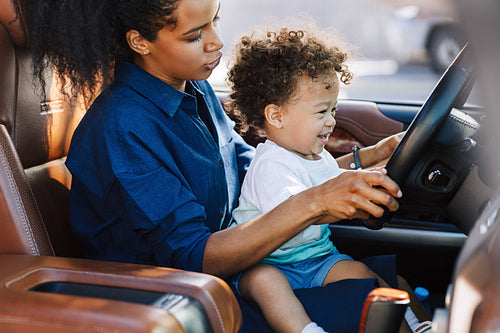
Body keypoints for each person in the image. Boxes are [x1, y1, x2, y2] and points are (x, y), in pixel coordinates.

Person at [16, 0, 427, 331]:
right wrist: (317, 202)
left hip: (243, 266)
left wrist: (362, 161)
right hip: (187, 299)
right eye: (195, 35)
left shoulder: (196, 90)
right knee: (378, 308)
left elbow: (259, 176)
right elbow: (195, 256)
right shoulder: (122, 128)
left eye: (215, 21)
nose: (216, 43)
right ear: (140, 41)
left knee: (396, 286)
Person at [225, 26, 431, 333]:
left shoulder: (314, 153)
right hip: (266, 263)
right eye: (322, 111)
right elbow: (299, 207)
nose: (332, 121)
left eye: (333, 109)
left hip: (317, 259)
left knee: (366, 275)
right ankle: (306, 330)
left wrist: (372, 170)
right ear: (277, 116)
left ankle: (419, 327)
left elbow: (332, 181)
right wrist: (356, 195)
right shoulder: (271, 165)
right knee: (267, 285)